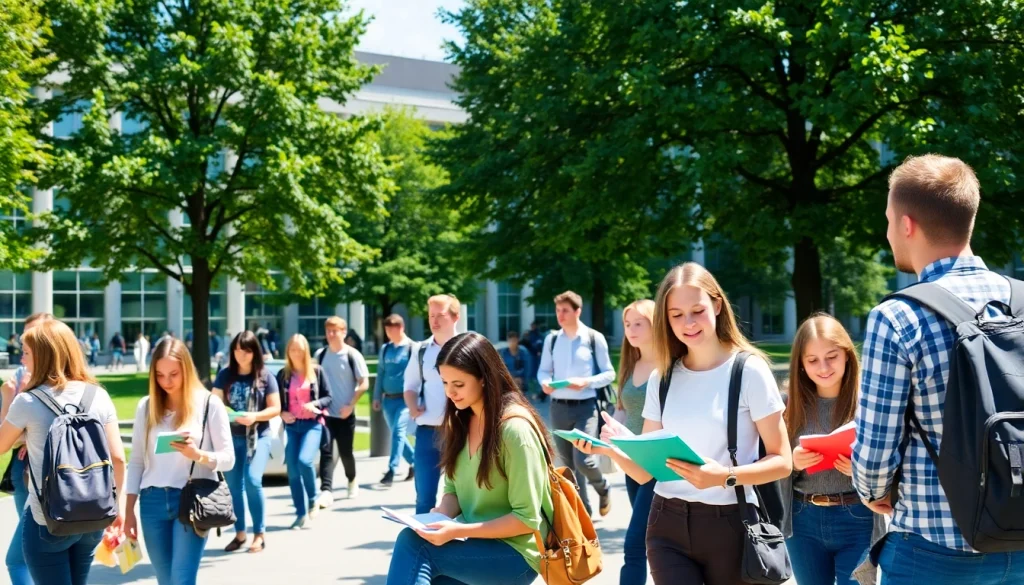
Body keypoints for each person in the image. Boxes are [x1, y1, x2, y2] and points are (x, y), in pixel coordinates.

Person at [851, 155, 1024, 582]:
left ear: (907, 225)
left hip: (933, 550)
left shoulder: (897, 316)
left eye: (889, 220)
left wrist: (872, 492)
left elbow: (875, 453)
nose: (888, 232)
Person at [577, 262, 792, 585]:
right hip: (666, 523)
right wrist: (613, 447)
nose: (687, 323)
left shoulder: (749, 371)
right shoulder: (661, 378)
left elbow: (783, 461)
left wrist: (724, 477)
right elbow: (645, 473)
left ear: (717, 305)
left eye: (697, 310)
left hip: (731, 525)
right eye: (676, 315)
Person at [385, 332, 554, 585]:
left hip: (515, 554)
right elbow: (453, 490)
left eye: (458, 384)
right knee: (419, 553)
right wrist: (439, 516)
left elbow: (526, 520)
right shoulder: (460, 420)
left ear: (484, 378)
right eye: (444, 383)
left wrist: (458, 530)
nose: (450, 392)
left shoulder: (515, 430)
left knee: (413, 547)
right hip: (473, 543)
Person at [0, 319, 127, 585]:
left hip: (48, 519)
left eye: (26, 353)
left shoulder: (28, 401)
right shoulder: (98, 395)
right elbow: (118, 459)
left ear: (44, 355)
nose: (22, 360)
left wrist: (7, 400)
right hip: (94, 515)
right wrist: (117, 508)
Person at [124, 338, 234, 585]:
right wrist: (128, 510)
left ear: (186, 368)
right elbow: (137, 462)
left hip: (190, 501)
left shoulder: (209, 404)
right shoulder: (146, 406)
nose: (167, 382)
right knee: (165, 580)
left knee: (181, 580)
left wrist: (198, 455)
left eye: (173, 374)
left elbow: (228, 459)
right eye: (160, 375)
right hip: (151, 502)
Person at [782, 315, 881, 585]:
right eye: (812, 360)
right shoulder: (787, 407)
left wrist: (860, 469)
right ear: (801, 365)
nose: (823, 367)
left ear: (847, 355)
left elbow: (890, 463)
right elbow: (771, 468)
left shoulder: (869, 404)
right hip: (803, 519)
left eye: (832, 356)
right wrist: (792, 463)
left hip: (858, 515)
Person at [576, 299, 658, 585]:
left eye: (639, 323)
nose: (631, 330)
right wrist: (604, 438)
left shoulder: (670, 366)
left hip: (656, 467)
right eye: (627, 324)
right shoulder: (630, 364)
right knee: (650, 539)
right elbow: (621, 410)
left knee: (635, 544)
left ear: (655, 324)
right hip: (630, 462)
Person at [537, 290, 615, 517]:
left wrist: (587, 382)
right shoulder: (552, 339)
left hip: (586, 407)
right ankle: (584, 514)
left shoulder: (593, 338)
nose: (560, 315)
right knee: (569, 466)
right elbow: (543, 371)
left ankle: (603, 487)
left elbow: (609, 373)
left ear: (577, 311)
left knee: (583, 459)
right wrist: (545, 383)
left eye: (565, 310)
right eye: (558, 310)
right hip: (558, 407)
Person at [212, 330, 281, 554]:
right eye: (237, 350)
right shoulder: (225, 374)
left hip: (257, 436)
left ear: (254, 352)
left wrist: (254, 417)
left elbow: (275, 408)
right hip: (230, 437)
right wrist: (226, 412)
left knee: (252, 480)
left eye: (246, 350)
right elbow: (214, 402)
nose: (241, 354)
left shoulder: (265, 376)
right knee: (233, 487)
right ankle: (240, 533)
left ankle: (259, 534)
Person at [0, 312, 54, 585]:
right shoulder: (20, 376)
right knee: (31, 549)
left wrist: (24, 433)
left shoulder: (59, 383)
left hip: (48, 475)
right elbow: (8, 431)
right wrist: (9, 395)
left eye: (28, 345)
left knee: (20, 556)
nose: (24, 349)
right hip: (23, 469)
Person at [404, 294, 462, 514]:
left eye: (440, 315)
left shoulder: (467, 347)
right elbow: (410, 385)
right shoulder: (421, 351)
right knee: (424, 497)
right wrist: (411, 405)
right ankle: (421, 545)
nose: (434, 321)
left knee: (463, 495)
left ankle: (463, 543)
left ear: (456, 317)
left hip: (462, 431)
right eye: (431, 316)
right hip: (427, 433)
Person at [276, 334, 333, 529]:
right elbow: (276, 404)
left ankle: (313, 498)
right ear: (288, 352)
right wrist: (282, 413)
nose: (296, 354)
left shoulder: (316, 372)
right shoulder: (283, 375)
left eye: (300, 350)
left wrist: (314, 404)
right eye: (293, 350)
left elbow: (328, 397)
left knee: (304, 460)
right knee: (292, 469)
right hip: (293, 426)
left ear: (306, 351)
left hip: (312, 424)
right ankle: (300, 513)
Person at [315, 317, 369, 506]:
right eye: (328, 331)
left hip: (345, 414)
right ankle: (326, 490)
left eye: (335, 331)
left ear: (343, 332)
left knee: (346, 453)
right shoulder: (320, 355)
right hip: (326, 414)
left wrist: (351, 405)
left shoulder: (352, 355)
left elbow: (364, 383)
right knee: (326, 451)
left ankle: (352, 479)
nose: (331, 334)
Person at [372, 314, 415, 487]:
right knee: (398, 436)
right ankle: (415, 463)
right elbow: (381, 373)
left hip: (405, 399)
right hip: (388, 400)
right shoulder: (385, 349)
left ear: (401, 328)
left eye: (392, 329)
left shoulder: (411, 348)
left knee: (398, 432)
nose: (389, 332)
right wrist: (376, 396)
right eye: (387, 329)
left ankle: (392, 469)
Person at [522, 321, 546, 400]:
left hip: (536, 357)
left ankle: (539, 393)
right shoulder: (529, 334)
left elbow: (540, 345)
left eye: (533, 325)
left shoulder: (539, 335)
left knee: (536, 375)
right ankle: (532, 392)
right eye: (531, 325)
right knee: (530, 375)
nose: (532, 327)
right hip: (530, 356)